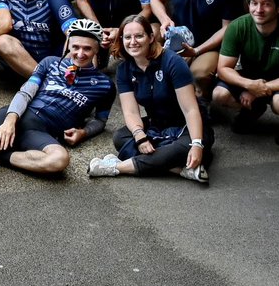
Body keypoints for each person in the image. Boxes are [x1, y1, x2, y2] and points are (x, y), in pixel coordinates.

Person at [0, 19, 114, 201]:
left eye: (87, 49)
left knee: (59, 159)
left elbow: (100, 121)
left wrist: (83, 133)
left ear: (97, 49)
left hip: (42, 131)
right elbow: (26, 92)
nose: (80, 53)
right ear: (68, 44)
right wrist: (10, 121)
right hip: (18, 115)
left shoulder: (104, 85)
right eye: (75, 47)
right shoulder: (50, 63)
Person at [89, 13, 211, 182]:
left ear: (151, 37)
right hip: (158, 125)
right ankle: (180, 169)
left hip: (188, 126)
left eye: (139, 36)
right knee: (121, 137)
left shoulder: (172, 62)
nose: (133, 42)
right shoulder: (124, 69)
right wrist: (140, 137)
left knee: (186, 147)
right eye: (127, 37)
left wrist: (197, 144)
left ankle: (115, 167)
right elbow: (131, 112)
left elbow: (190, 110)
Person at [213, 0, 279, 144]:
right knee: (219, 94)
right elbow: (223, 68)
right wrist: (248, 84)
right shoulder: (237, 26)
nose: (259, 10)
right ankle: (253, 109)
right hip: (251, 76)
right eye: (254, 3)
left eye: (266, 4)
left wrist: (257, 89)